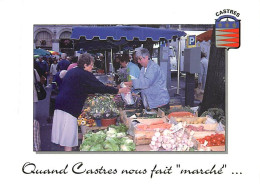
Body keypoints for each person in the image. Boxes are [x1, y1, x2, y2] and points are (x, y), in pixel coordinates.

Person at [51, 53, 130, 151]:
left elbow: (82, 87)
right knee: (68, 138)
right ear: (85, 65)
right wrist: (118, 90)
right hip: (69, 107)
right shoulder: (84, 74)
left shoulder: (73, 71)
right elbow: (100, 87)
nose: (92, 67)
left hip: (60, 104)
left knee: (63, 134)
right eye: (91, 65)